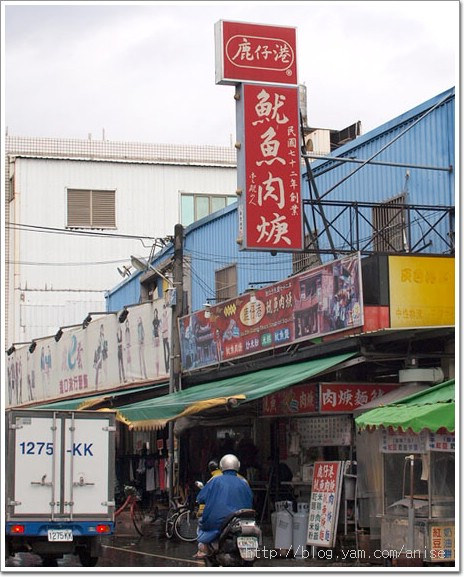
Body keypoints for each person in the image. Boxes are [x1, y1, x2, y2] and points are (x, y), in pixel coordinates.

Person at [194, 454, 253, 558]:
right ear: (237, 466)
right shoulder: (244, 482)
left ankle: (203, 550)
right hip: (243, 519)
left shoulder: (215, 480)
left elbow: (201, 497)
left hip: (220, 521)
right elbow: (251, 498)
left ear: (222, 466)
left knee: (201, 522)